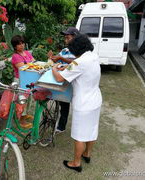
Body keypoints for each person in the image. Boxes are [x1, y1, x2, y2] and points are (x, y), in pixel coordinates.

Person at [52, 34, 102, 172]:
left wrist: (55, 68)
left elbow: (58, 78)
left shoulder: (79, 63)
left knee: (79, 135)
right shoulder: (93, 56)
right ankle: (87, 154)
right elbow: (78, 69)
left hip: (84, 103)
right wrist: (67, 68)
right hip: (95, 99)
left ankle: (76, 163)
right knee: (91, 129)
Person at [48, 27, 80, 134]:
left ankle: (69, 127)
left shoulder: (79, 52)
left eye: (68, 38)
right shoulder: (65, 51)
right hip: (61, 81)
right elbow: (57, 59)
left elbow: (76, 63)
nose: (66, 40)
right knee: (62, 103)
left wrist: (61, 60)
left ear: (76, 38)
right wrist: (52, 58)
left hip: (73, 83)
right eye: (65, 38)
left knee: (71, 105)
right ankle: (60, 125)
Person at [11, 35, 35, 128]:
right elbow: (23, 68)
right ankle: (21, 120)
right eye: (19, 44)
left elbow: (34, 62)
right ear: (15, 46)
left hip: (28, 80)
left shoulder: (27, 53)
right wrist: (30, 64)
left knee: (29, 98)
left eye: (22, 43)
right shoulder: (15, 56)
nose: (21, 45)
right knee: (21, 100)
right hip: (20, 80)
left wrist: (30, 64)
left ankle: (25, 115)